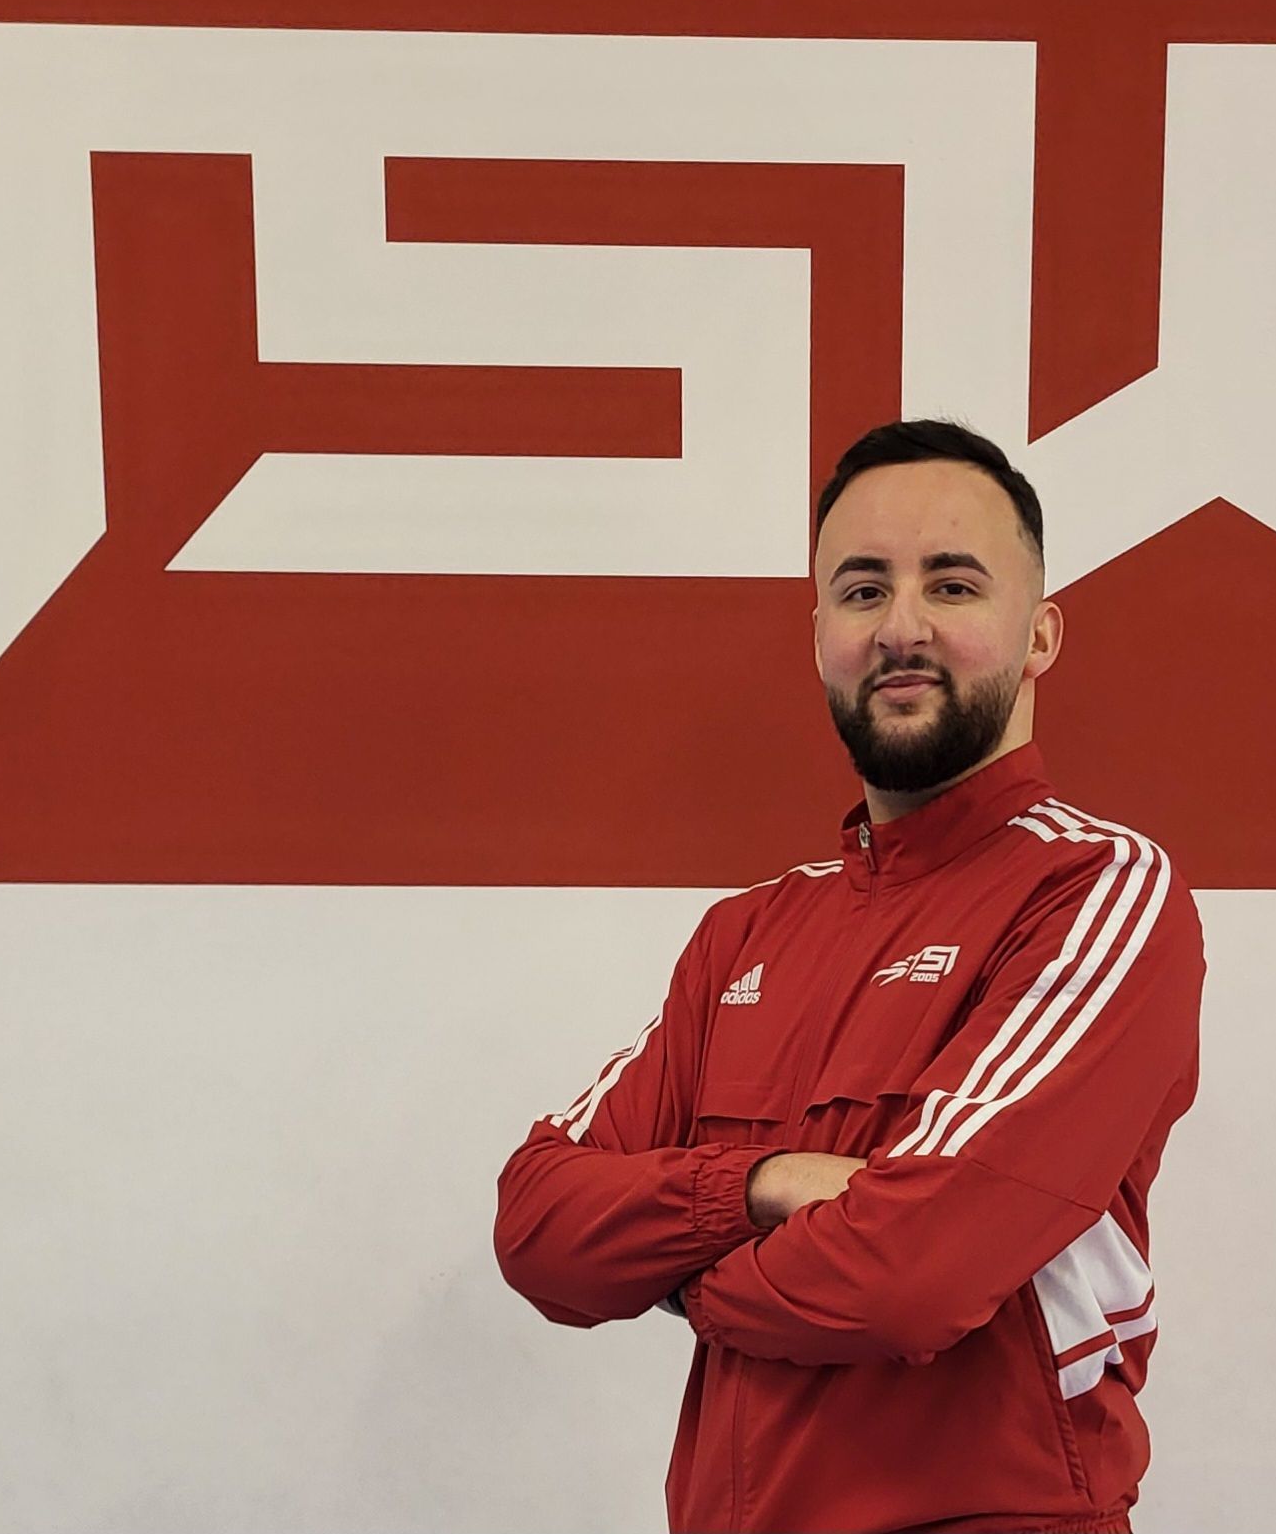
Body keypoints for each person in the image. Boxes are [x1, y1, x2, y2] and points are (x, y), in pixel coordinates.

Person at [494, 419, 1204, 1534]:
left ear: (1040, 633)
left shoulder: (1094, 888)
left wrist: (678, 1278)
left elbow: (910, 1274)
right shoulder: (745, 933)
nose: (902, 627)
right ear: (820, 632)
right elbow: (538, 1224)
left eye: (953, 585)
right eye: (863, 590)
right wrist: (761, 1186)